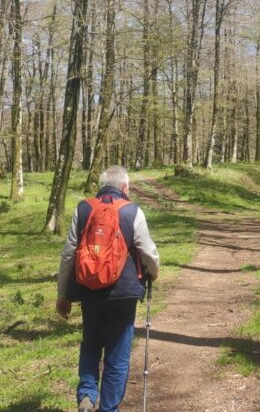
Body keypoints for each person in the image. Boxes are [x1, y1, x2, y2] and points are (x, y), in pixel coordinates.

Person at [56, 165, 160, 412]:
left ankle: (88, 395)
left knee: (91, 343)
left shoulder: (83, 209)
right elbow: (148, 253)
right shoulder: (132, 211)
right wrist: (153, 273)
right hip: (123, 294)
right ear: (124, 187)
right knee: (117, 354)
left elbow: (69, 254)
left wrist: (63, 294)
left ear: (102, 185)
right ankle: (109, 408)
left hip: (89, 291)